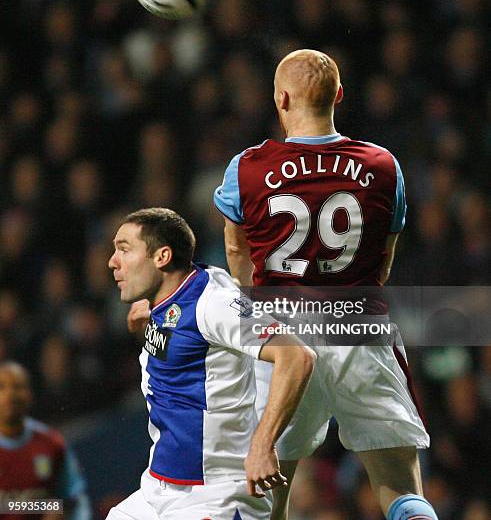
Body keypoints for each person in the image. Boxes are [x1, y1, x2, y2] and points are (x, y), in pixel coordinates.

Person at [214, 49, 437, 520]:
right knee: (398, 482)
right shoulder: (382, 165)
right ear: (338, 96)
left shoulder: (248, 168)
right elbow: (383, 259)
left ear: (281, 98)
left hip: (283, 339)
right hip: (359, 327)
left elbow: (237, 253)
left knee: (267, 494)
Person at [106, 207, 315, 520]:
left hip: (214, 497)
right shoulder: (177, 296)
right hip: (156, 489)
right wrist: (155, 313)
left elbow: (295, 356)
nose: (112, 261)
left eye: (124, 249)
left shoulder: (213, 304)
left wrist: (262, 445)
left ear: (162, 257)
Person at [0, 361, 90, 520]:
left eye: (18, 387)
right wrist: (45, 505)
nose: (10, 395)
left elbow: (74, 499)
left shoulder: (51, 444)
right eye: (2, 387)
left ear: (30, 394)